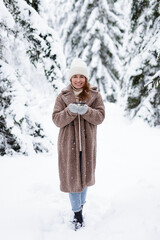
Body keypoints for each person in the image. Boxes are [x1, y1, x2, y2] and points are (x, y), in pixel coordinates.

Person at [52, 58, 105, 230]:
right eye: (75, 76)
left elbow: (100, 117)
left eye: (82, 76)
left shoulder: (95, 96)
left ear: (86, 78)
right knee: (72, 179)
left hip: (87, 146)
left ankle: (81, 205)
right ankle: (77, 214)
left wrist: (87, 111)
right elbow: (56, 120)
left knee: (85, 178)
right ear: (70, 78)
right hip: (68, 146)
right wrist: (69, 111)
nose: (78, 79)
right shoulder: (62, 97)